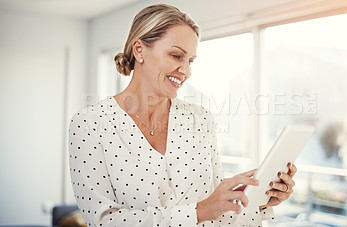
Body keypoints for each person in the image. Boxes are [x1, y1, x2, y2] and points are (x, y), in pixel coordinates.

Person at [68, 4, 297, 226]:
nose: (186, 71)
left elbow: (219, 215)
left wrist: (259, 202)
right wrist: (199, 211)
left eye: (190, 61)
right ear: (139, 50)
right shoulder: (90, 124)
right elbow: (104, 221)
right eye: (177, 56)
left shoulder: (201, 120)